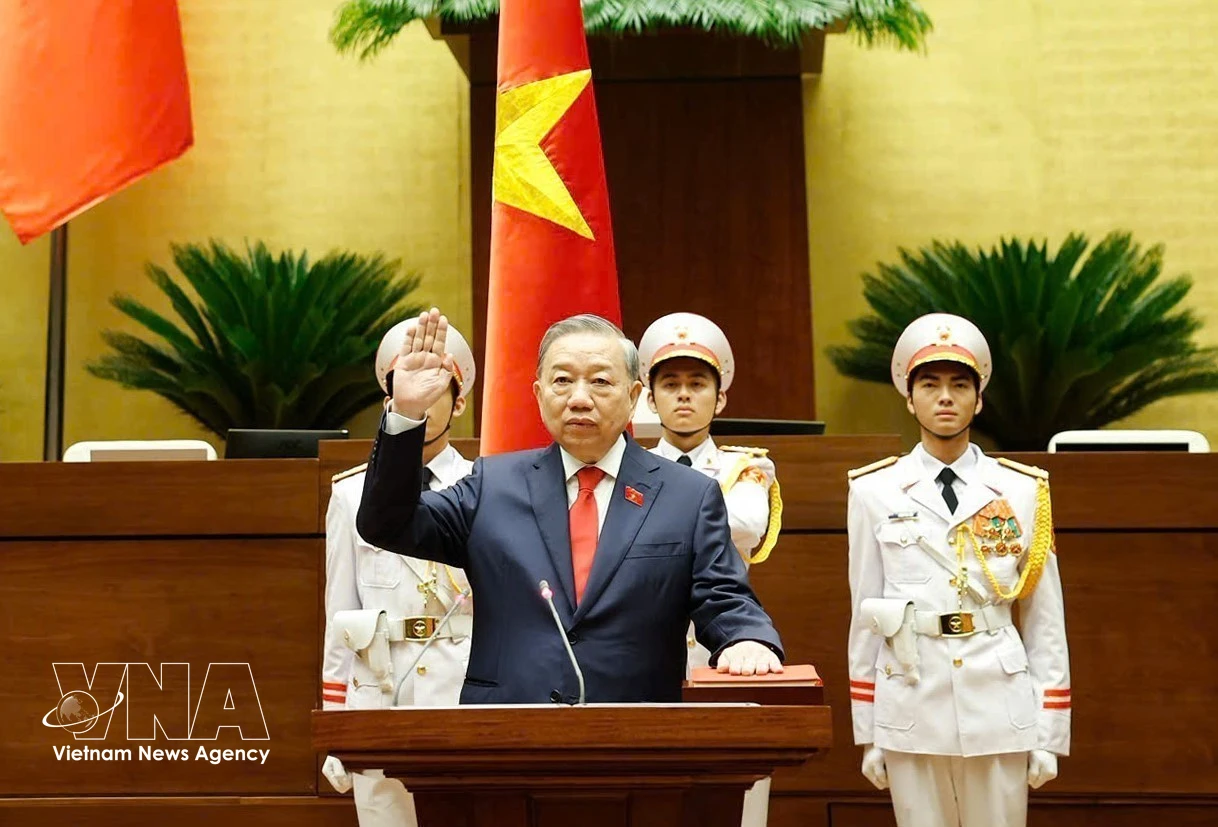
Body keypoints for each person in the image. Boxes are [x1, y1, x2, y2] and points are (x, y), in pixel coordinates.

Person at [357, 308, 784, 705]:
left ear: (634, 395)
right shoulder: (493, 485)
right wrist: (407, 416)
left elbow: (724, 596)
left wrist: (746, 639)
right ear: (539, 393)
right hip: (509, 734)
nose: (579, 398)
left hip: (639, 738)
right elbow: (388, 524)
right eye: (562, 381)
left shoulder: (687, 496)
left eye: (600, 381)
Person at [846, 313, 1070, 827]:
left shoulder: (1021, 489)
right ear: (909, 396)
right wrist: (870, 729)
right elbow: (866, 613)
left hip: (999, 699)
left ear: (979, 398)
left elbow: (1043, 617)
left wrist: (1049, 727)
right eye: (930, 384)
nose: (945, 397)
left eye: (959, 384)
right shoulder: (873, 491)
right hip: (910, 697)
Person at [320, 318, 478, 827]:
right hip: (382, 690)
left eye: (436, 388)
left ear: (458, 402)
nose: (421, 402)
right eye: (408, 387)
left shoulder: (488, 485)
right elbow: (339, 614)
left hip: (464, 686)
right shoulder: (350, 493)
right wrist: (335, 721)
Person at [637, 311, 782, 827]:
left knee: (732, 798)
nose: (683, 395)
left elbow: (742, 524)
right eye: (669, 383)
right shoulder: (624, 467)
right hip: (645, 650)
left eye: (697, 383)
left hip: (722, 649)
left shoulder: (748, 468)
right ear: (648, 398)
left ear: (720, 398)